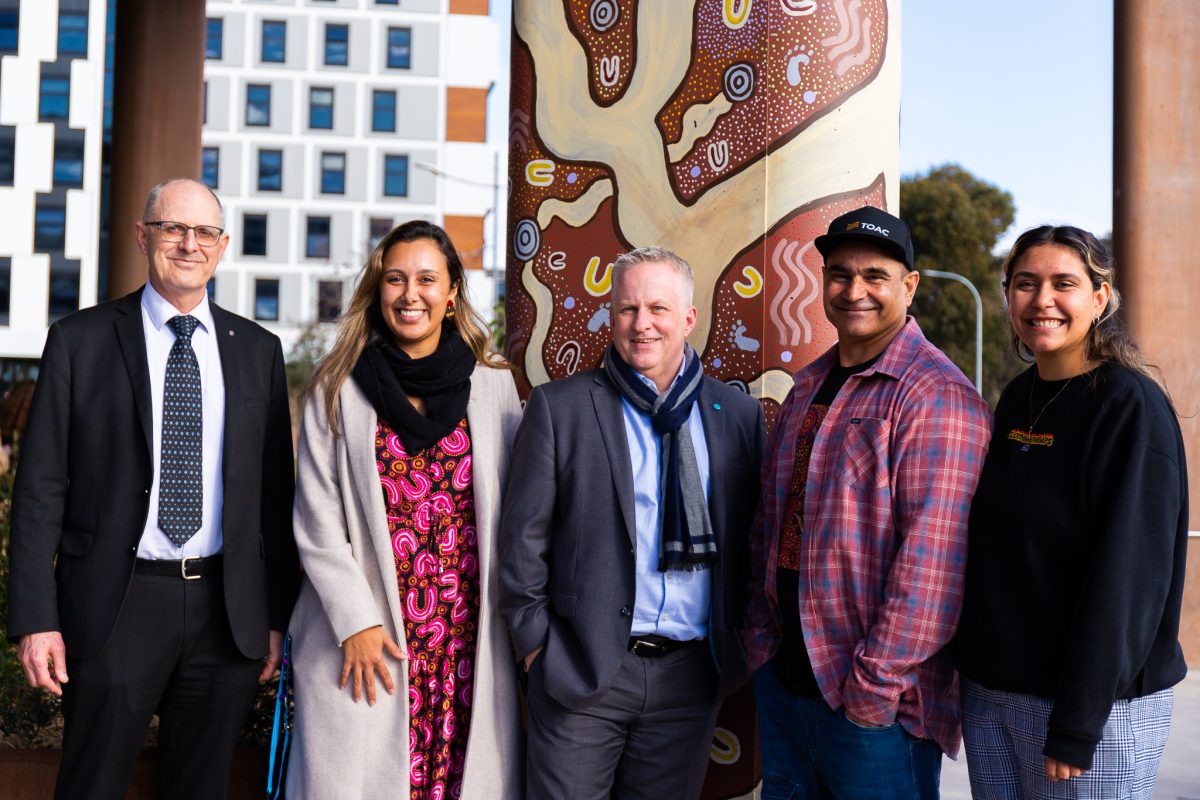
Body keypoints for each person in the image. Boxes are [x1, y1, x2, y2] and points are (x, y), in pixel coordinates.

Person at [6, 178, 299, 799]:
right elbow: (38, 491)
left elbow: (275, 498)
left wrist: (273, 618)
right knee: (92, 785)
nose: (188, 244)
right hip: (117, 603)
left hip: (226, 609)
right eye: (173, 228)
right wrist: (36, 620)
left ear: (222, 248)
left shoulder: (259, 352)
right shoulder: (78, 341)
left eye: (205, 233)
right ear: (144, 236)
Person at [743, 206, 992, 799]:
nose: (854, 291)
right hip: (785, 684)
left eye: (874, 276)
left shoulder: (936, 395)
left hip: (876, 710)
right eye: (839, 274)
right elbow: (768, 524)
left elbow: (934, 566)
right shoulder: (805, 387)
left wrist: (872, 691)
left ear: (908, 286)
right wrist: (759, 644)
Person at [499, 246, 765, 800]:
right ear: (610, 315)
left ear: (688, 319)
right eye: (627, 309)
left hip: (691, 679)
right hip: (582, 672)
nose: (641, 325)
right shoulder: (560, 408)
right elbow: (521, 542)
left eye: (658, 309)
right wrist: (538, 651)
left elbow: (753, 543)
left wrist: (737, 642)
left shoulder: (736, 415)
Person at [285, 220, 524, 799]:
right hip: (369, 642)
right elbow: (318, 522)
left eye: (425, 279)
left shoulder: (492, 387)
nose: (409, 293)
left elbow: (520, 512)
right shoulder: (337, 387)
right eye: (395, 279)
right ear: (378, 290)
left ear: (451, 294)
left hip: (467, 639)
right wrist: (356, 623)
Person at [954, 225, 1188, 800]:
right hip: (994, 695)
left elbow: (1127, 579)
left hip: (1089, 707)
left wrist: (1078, 724)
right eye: (1026, 284)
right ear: (1008, 296)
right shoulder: (1018, 396)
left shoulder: (1130, 407)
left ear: (1100, 298)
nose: (1042, 301)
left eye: (1065, 284)